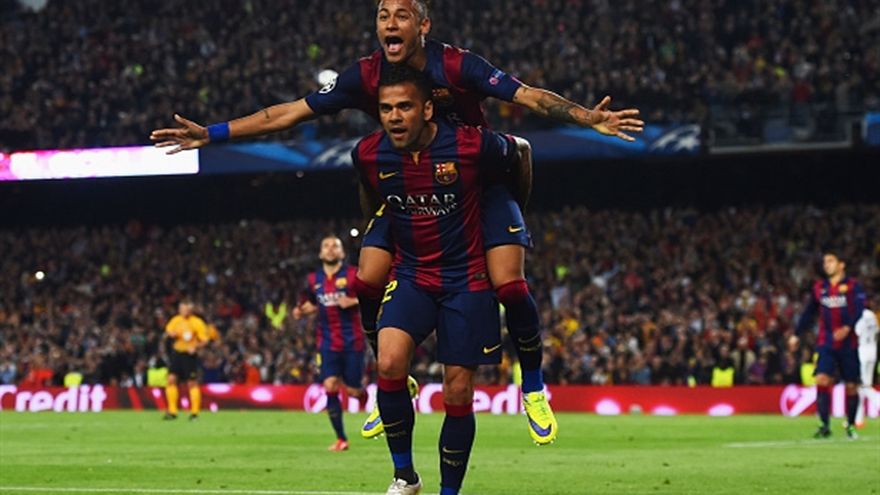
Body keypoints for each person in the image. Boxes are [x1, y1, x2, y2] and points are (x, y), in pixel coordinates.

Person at [150, 0, 642, 442]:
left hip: (475, 184)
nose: (390, 22)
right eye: (382, 15)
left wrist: (587, 118)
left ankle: (532, 385)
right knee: (365, 280)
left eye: (401, 14)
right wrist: (213, 133)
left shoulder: (457, 65)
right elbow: (289, 113)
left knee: (510, 286)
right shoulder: (364, 75)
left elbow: (528, 96)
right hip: (408, 183)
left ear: (423, 26)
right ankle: (395, 377)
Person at [354, 63, 556, 495]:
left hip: (467, 277)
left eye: (404, 107)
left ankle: (450, 491)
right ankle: (405, 477)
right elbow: (371, 192)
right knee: (388, 362)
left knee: (459, 390)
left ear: (427, 109)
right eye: (386, 109)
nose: (394, 117)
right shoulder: (369, 152)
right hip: (413, 273)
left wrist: (511, 219)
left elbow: (520, 152)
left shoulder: (470, 145)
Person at [292, 236, 368, 452]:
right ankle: (341, 439)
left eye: (335, 246)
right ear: (320, 253)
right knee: (330, 385)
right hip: (326, 342)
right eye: (326, 246)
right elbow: (309, 301)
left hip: (353, 341)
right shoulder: (313, 279)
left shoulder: (354, 274)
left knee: (353, 391)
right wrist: (301, 310)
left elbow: (373, 296)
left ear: (342, 253)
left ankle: (363, 396)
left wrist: (353, 301)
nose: (330, 249)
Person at [794, 251, 867, 439]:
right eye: (825, 261)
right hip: (826, 343)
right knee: (821, 380)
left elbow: (859, 309)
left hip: (849, 344)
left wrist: (847, 327)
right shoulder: (820, 288)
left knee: (851, 386)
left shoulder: (853, 286)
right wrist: (796, 334)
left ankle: (851, 425)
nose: (826, 264)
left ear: (841, 264)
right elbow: (809, 312)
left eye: (831, 261)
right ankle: (824, 425)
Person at [164, 299, 209, 420]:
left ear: (191, 310)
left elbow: (205, 340)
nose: (184, 311)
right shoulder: (176, 320)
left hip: (189, 355)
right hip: (177, 353)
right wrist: (171, 334)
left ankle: (194, 413)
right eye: (182, 309)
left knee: (192, 383)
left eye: (186, 309)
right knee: (171, 379)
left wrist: (195, 347)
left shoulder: (197, 322)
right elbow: (168, 330)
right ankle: (172, 412)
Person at [853, 301, 878, 428]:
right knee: (863, 386)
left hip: (862, 351)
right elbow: (877, 331)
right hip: (872, 351)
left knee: (863, 386)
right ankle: (858, 420)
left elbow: (856, 332)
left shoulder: (858, 315)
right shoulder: (872, 316)